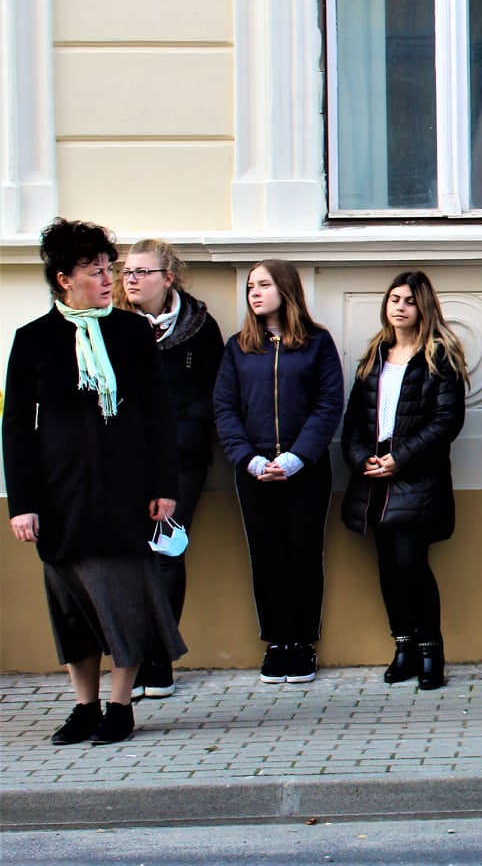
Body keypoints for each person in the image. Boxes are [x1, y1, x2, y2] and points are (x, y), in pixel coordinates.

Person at [6, 218, 187, 746]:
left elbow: (159, 414)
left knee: (124, 603)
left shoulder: (131, 333)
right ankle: (85, 706)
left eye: (110, 268)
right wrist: (23, 503)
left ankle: (120, 705)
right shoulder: (34, 340)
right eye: (95, 270)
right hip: (60, 496)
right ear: (64, 279)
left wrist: (164, 485)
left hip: (125, 491)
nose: (109, 279)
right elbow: (15, 429)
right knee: (72, 609)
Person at [214, 259, 345, 686]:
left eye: (264, 284)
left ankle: (302, 642)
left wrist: (298, 456)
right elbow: (225, 408)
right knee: (266, 556)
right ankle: (276, 642)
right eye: (251, 286)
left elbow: (329, 404)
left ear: (285, 289)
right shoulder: (238, 347)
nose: (254, 292)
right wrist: (247, 459)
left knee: (303, 554)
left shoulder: (317, 342)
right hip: (254, 472)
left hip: (305, 470)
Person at [340, 271, 467, 691]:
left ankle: (432, 650)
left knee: (411, 562)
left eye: (409, 300)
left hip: (416, 475)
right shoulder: (375, 355)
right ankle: (404, 645)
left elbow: (447, 420)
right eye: (394, 299)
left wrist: (402, 458)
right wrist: (361, 459)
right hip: (374, 475)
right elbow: (354, 421)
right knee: (388, 566)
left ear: (423, 306)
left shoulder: (439, 356)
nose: (400, 307)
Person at [115, 237, 223, 699]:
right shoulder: (112, 323)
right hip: (124, 460)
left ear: (167, 278)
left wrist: (184, 427)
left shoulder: (199, 325)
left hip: (181, 457)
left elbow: (215, 390)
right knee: (129, 557)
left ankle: (159, 661)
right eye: (126, 271)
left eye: (142, 272)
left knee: (166, 550)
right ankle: (132, 659)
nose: (131, 279)